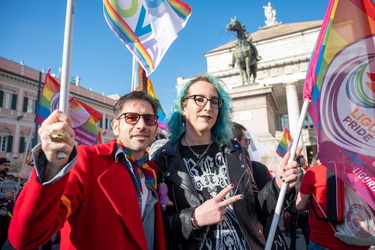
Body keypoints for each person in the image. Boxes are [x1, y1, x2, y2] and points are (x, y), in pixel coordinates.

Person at [152, 74, 301, 249]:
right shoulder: (164, 158)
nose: (208, 107)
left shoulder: (236, 151)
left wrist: (278, 185)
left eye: (214, 101)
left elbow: (253, 211)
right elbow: (156, 226)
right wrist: (193, 218)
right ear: (183, 107)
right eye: (199, 99)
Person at [9, 91, 166, 250]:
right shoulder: (86, 159)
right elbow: (27, 236)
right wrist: (51, 166)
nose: (141, 125)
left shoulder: (151, 171)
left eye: (149, 119)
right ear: (116, 127)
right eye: (131, 118)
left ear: (155, 128)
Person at [232, 122, 289, 250]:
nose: (249, 145)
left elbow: (270, 211)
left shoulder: (258, 169)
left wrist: (279, 186)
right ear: (235, 142)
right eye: (246, 141)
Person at [296, 156, 370, 250]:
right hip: (360, 240)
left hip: (325, 241)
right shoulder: (363, 172)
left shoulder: (314, 171)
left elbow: (300, 205)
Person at [0, 158, 17, 248]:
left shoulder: (8, 178)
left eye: (8, 165)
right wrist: (3, 195)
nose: (7, 167)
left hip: (5, 213)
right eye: (4, 165)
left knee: (3, 237)